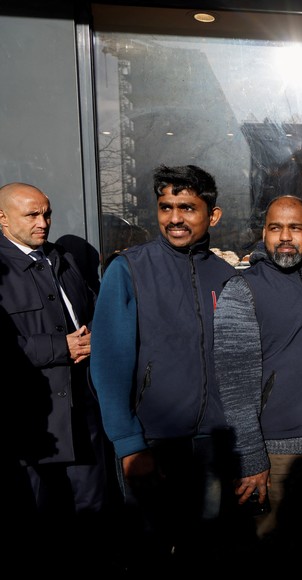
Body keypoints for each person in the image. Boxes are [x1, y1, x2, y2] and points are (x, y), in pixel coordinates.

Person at [89, 164, 240, 573]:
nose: (174, 218)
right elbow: (108, 366)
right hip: (152, 443)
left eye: (187, 207)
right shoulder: (129, 270)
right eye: (165, 207)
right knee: (150, 558)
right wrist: (129, 445)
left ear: (213, 215)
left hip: (213, 444)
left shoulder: (227, 277)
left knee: (207, 554)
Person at [213, 195, 302, 561]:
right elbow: (233, 386)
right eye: (276, 228)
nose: (285, 237)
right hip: (275, 454)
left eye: (295, 228)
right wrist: (251, 459)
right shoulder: (243, 289)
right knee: (275, 559)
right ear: (264, 233)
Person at [0, 182, 122, 573]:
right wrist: (59, 347)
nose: (43, 222)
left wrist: (97, 338)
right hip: (31, 427)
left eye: (47, 213)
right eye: (32, 215)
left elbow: (97, 314)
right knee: (40, 529)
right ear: (2, 218)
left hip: (84, 418)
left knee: (93, 519)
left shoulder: (62, 259)